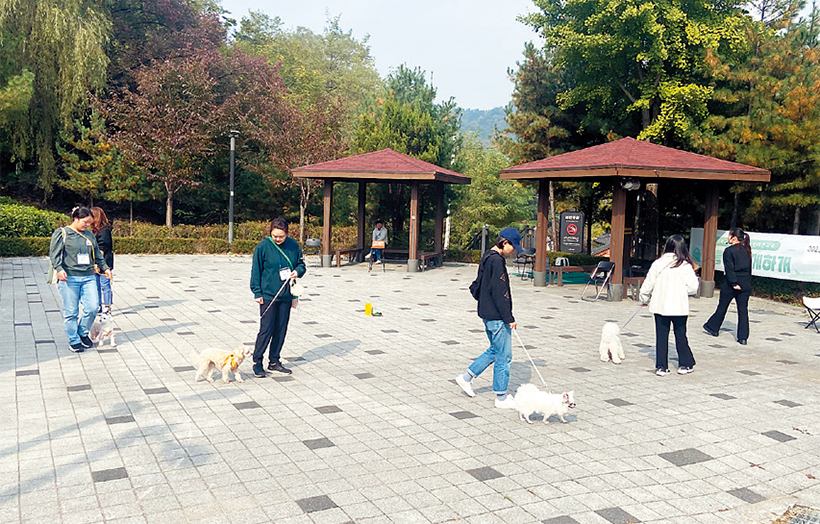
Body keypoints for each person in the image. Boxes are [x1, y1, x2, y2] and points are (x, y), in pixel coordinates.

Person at [455, 227, 523, 408]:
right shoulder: (497, 261)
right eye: (513, 246)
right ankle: (501, 397)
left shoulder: (487, 256)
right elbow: (501, 293)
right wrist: (509, 318)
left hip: (487, 313)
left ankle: (466, 377)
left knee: (494, 350)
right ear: (505, 242)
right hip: (497, 316)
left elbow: (478, 285)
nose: (514, 250)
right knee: (504, 357)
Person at [50, 206, 112, 353]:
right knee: (71, 311)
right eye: (85, 222)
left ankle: (83, 332)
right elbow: (54, 254)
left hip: (89, 276)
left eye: (89, 223)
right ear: (76, 219)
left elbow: (97, 254)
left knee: (92, 307)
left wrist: (105, 268)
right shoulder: (62, 233)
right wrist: (59, 269)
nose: (87, 225)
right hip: (69, 278)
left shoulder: (89, 235)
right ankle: (73, 340)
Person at [250, 218, 306, 377]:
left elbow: (301, 264)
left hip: (286, 294)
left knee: (281, 329)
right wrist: (257, 292)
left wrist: (298, 272)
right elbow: (256, 271)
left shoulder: (293, 245)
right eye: (275, 236)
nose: (278, 239)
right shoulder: (262, 247)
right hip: (268, 295)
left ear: (287, 234)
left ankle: (274, 360)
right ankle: (257, 361)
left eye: (281, 236)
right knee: (266, 329)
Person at [639, 235, 700, 376]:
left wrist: (644, 297)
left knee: (661, 336)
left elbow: (648, 284)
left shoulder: (658, 263)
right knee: (680, 335)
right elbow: (692, 288)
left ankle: (661, 366)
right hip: (679, 307)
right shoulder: (685, 266)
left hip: (660, 306)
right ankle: (685, 364)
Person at [703, 228, 753, 345]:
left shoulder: (729, 251)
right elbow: (748, 270)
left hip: (731, 284)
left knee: (722, 306)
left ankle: (713, 328)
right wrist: (745, 283)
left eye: (729, 235)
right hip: (745, 284)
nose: (728, 238)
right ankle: (743, 337)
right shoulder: (747, 250)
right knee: (743, 311)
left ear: (733, 237)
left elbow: (729, 269)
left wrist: (734, 283)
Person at [90, 207, 114, 313]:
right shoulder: (93, 230)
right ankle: (98, 305)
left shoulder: (104, 230)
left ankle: (107, 306)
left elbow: (102, 247)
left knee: (105, 285)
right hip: (94, 261)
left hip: (104, 261)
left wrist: (98, 263)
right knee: (96, 285)